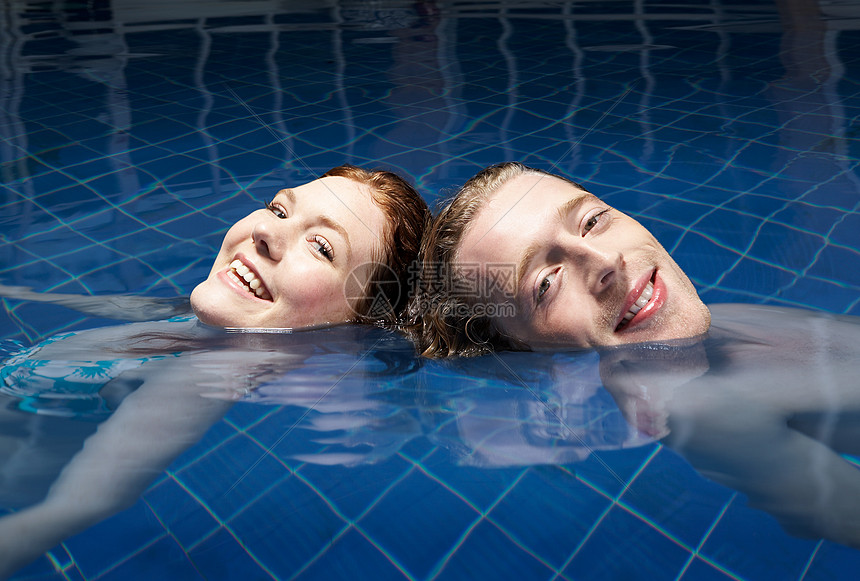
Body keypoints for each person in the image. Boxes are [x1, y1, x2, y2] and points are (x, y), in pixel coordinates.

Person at [0, 164, 429, 576]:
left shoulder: (215, 373)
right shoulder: (204, 329)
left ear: (364, 320)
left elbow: (63, 514)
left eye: (321, 247)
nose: (265, 231)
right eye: (279, 209)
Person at [410, 161, 710, 357]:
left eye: (592, 222)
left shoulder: (750, 328)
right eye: (545, 284)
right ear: (515, 348)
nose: (606, 260)